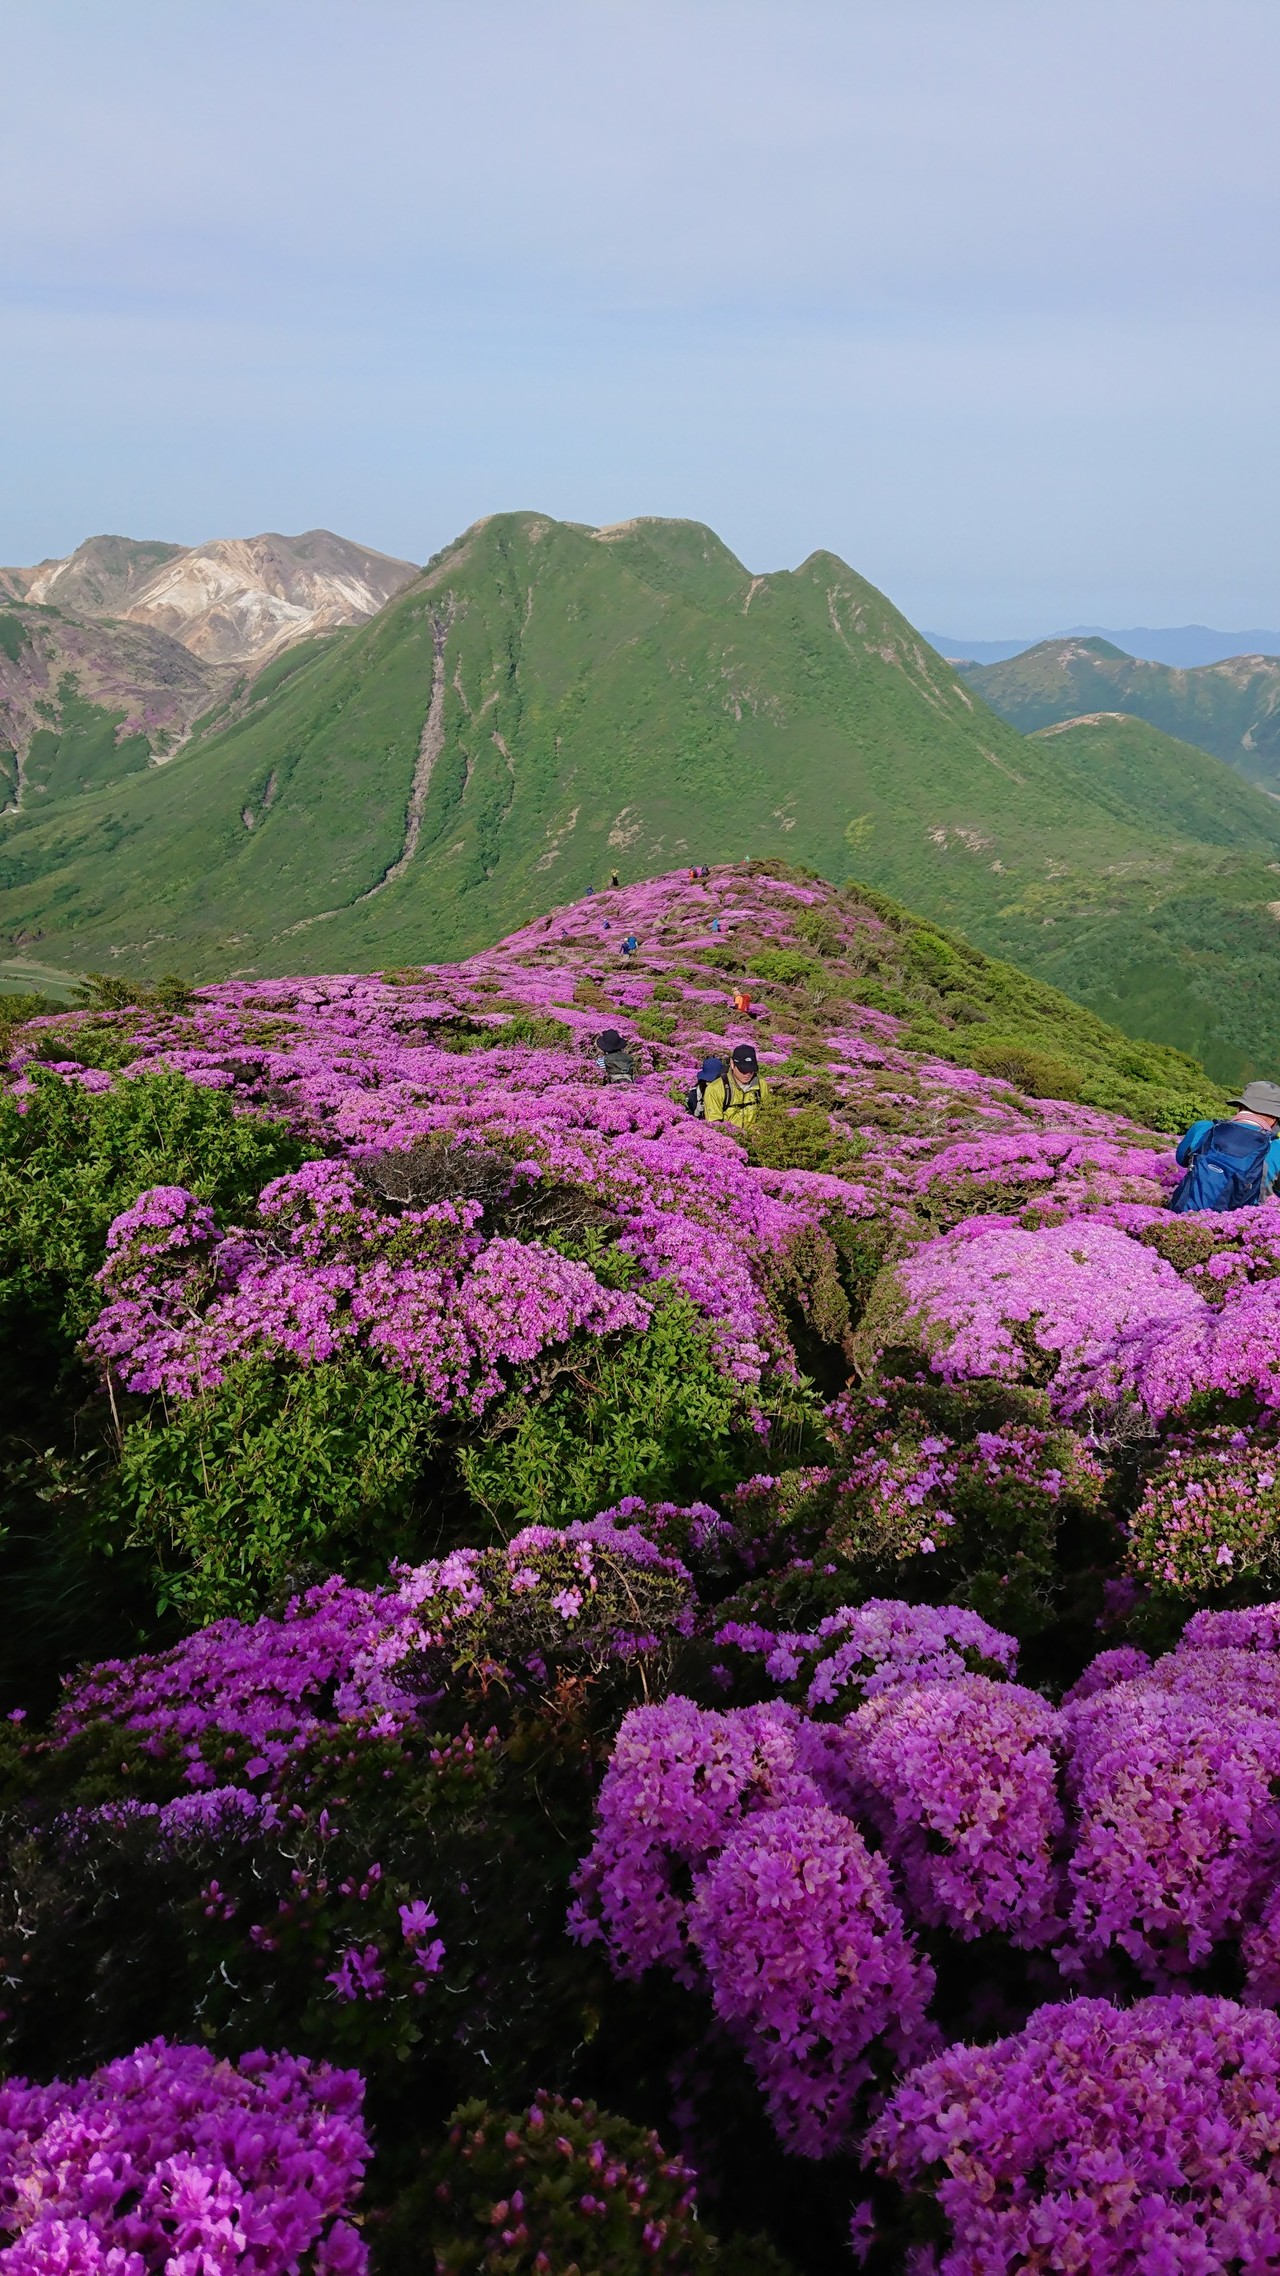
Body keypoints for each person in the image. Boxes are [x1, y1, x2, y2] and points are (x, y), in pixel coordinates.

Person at [1172, 1081, 1280, 1213]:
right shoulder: (1275, 1147)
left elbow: (1181, 1159)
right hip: (1237, 1224)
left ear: (1240, 1106)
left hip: (1181, 1215)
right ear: (1274, 1118)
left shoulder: (1204, 1127)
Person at [703, 1043, 769, 1130]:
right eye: (743, 1070)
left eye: (751, 1070)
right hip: (729, 1136)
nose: (748, 1074)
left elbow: (767, 1114)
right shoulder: (714, 1090)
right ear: (732, 1064)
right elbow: (714, 1125)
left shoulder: (761, 1084)